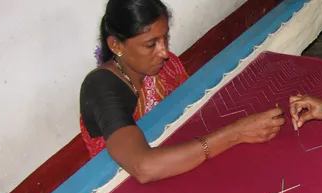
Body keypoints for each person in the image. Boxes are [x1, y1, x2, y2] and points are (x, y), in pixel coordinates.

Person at [80, 0, 284, 183]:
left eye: (164, 38)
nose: (164, 52)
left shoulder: (164, 68)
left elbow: (192, 117)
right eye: (151, 44)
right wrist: (237, 133)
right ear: (116, 45)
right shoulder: (101, 88)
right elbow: (144, 167)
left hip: (172, 163)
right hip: (120, 187)